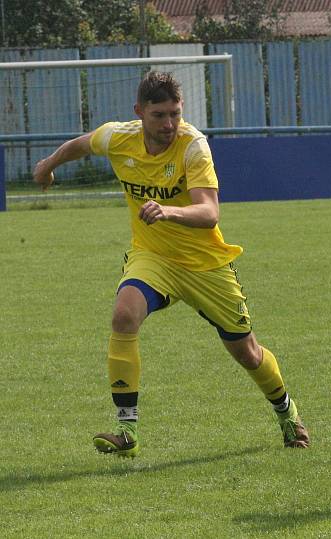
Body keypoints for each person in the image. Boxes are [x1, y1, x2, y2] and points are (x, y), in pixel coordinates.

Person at [32, 71, 309, 457]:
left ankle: (286, 412)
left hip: (204, 265)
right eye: (159, 115)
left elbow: (210, 212)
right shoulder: (118, 136)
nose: (169, 124)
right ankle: (126, 432)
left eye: (175, 114)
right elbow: (80, 146)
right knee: (123, 316)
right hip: (154, 257)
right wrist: (48, 164)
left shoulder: (193, 146)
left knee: (247, 353)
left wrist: (168, 211)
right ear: (139, 112)